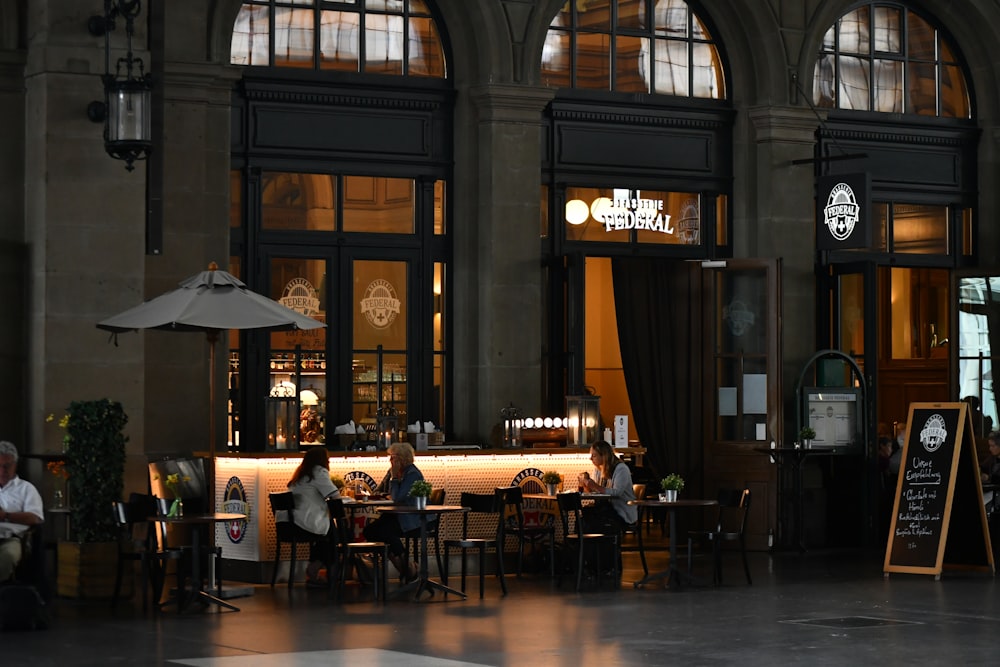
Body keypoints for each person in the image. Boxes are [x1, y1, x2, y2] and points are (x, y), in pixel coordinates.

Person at [280, 446, 339, 585]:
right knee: (336, 534)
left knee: (328, 533)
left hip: (286, 525)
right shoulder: (319, 472)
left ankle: (315, 568)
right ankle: (325, 572)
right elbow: (335, 495)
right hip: (301, 524)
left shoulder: (301, 474)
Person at [362, 442, 421, 580]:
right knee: (369, 531)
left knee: (385, 532)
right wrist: (386, 491)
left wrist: (394, 479)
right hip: (394, 515)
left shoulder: (412, 474)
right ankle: (407, 568)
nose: (390, 460)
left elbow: (397, 497)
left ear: (402, 458)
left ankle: (407, 569)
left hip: (409, 519)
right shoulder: (391, 471)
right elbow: (378, 490)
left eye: (393, 457)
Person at [0, 441, 45, 583]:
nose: (2, 471)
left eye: (7, 466)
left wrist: (6, 516)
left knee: (7, 556)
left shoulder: (26, 489)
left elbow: (35, 518)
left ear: (15, 465)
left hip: (13, 538)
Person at [577, 440, 638, 534]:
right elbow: (597, 492)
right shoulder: (598, 469)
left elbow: (617, 493)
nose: (591, 458)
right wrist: (587, 486)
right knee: (584, 515)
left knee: (590, 520)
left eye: (594, 455)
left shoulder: (621, 469)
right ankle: (586, 546)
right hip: (607, 509)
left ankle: (597, 546)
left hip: (621, 512)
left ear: (603, 456)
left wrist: (595, 486)